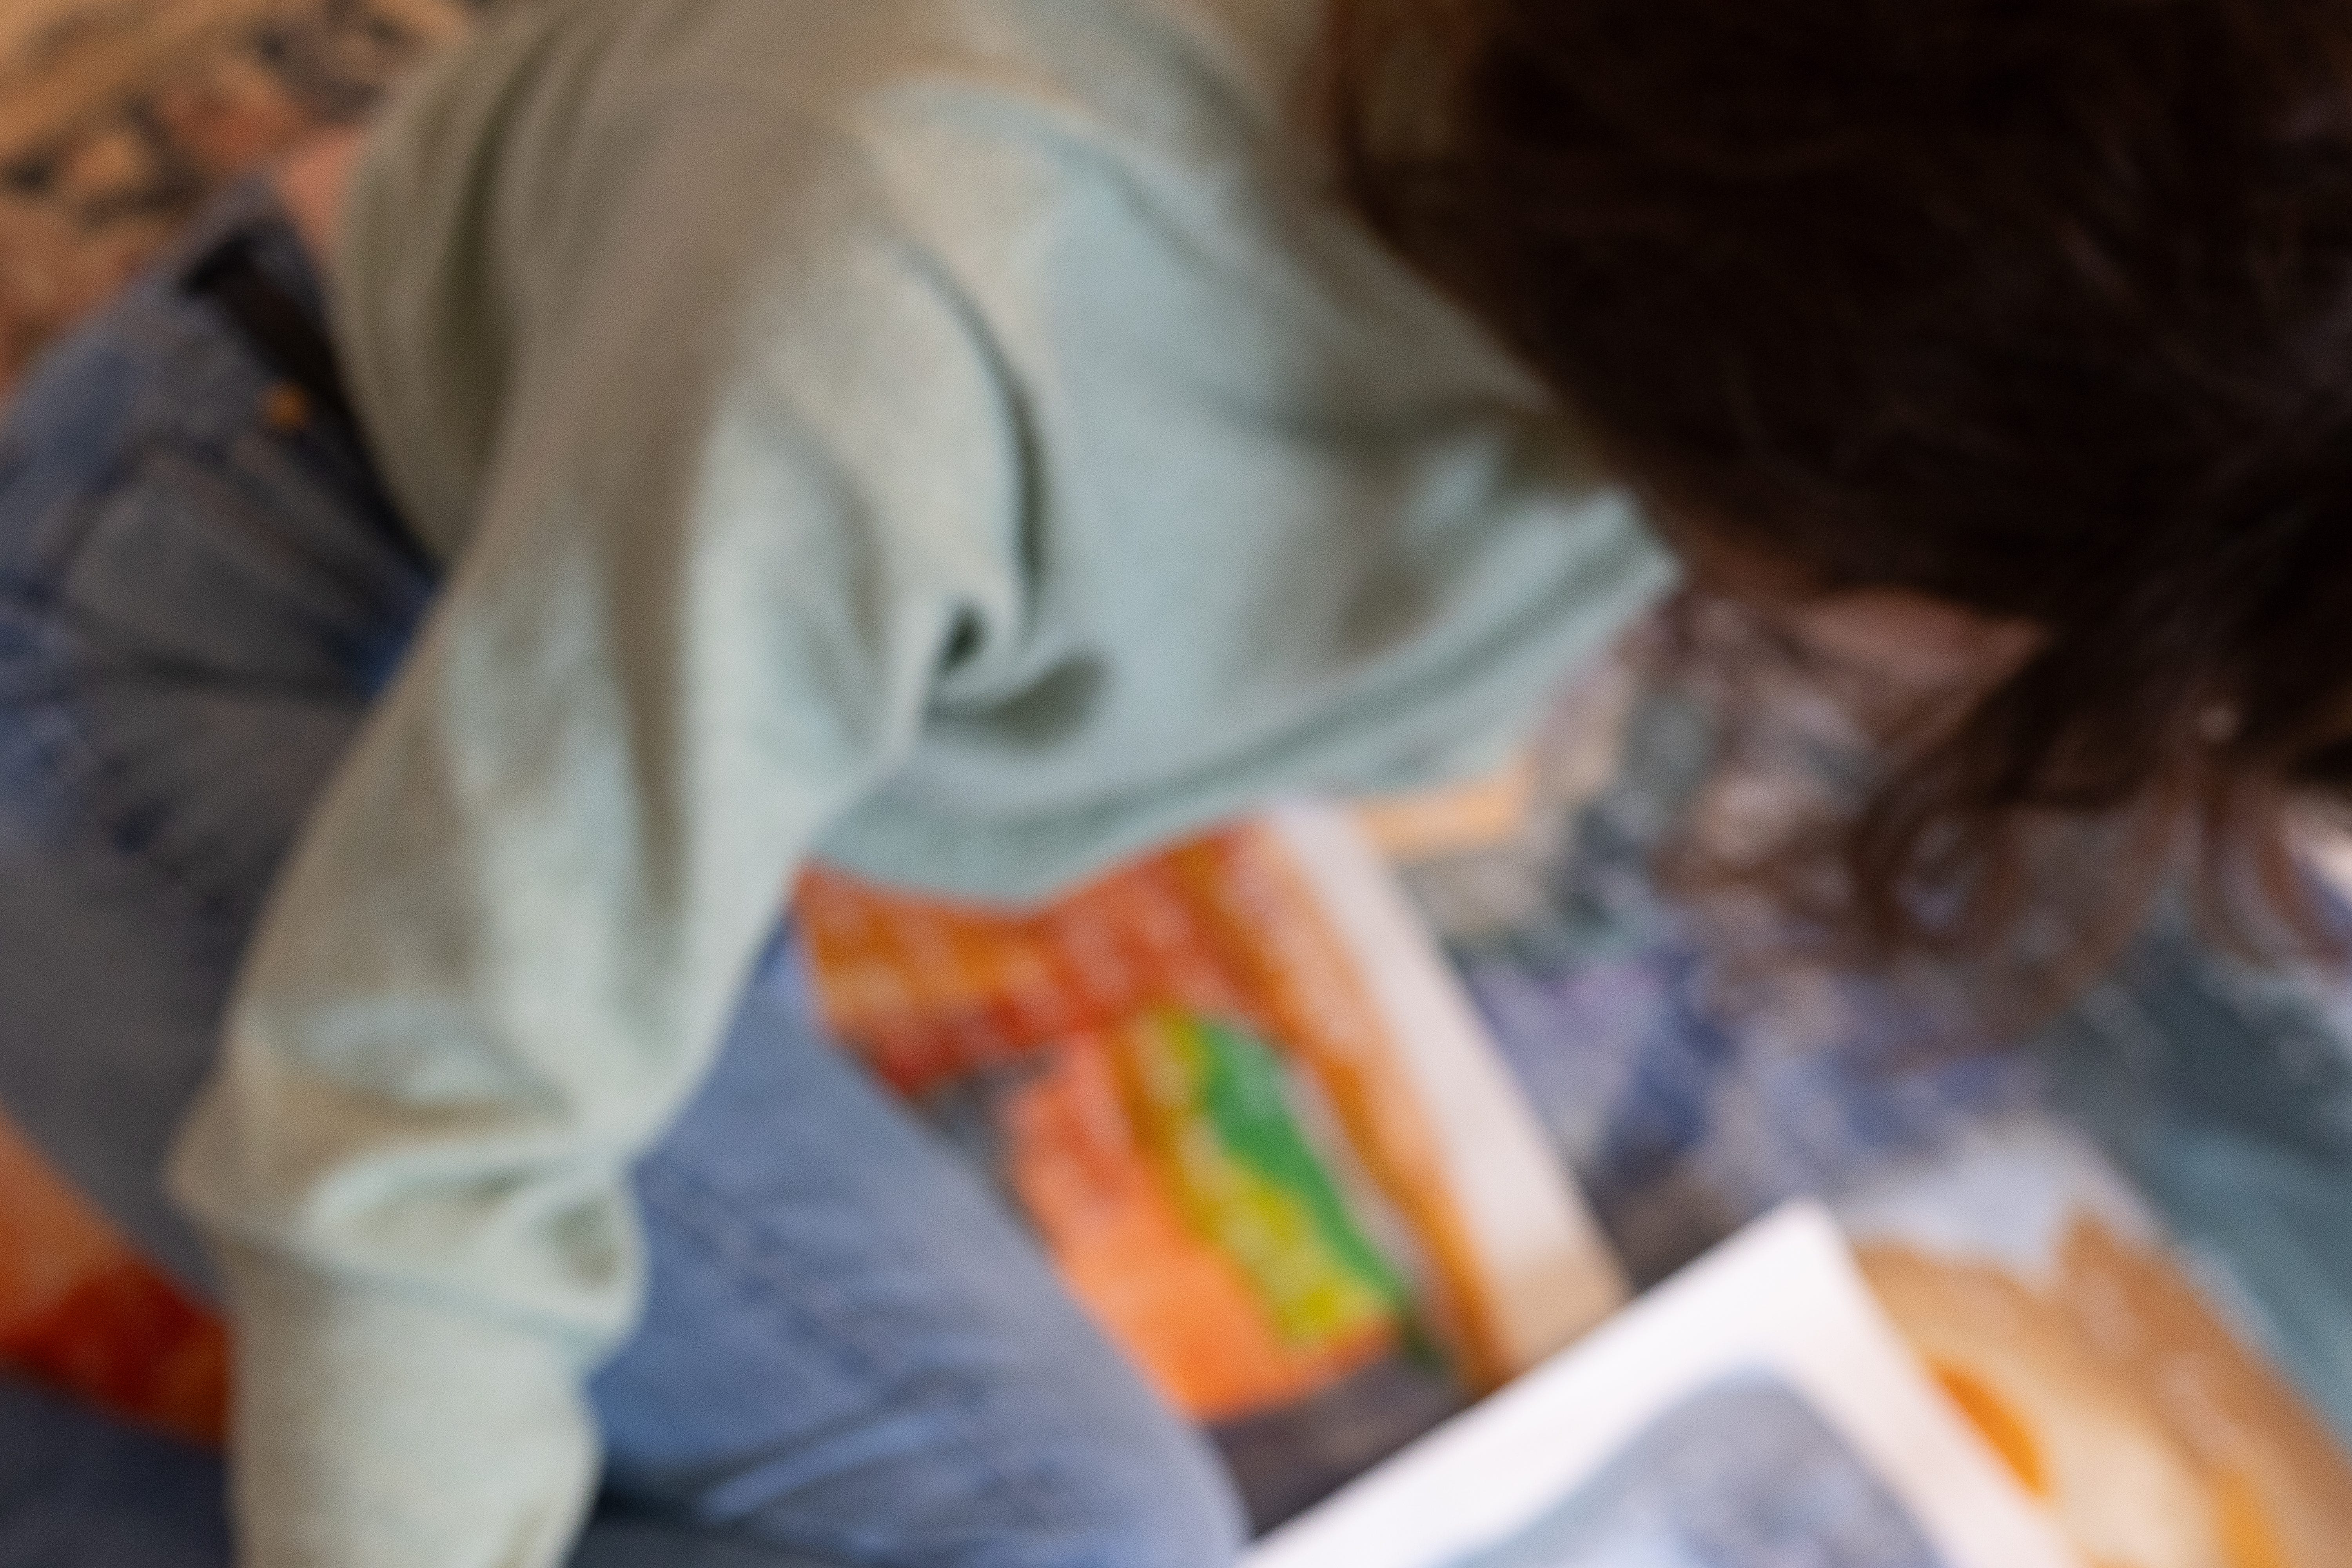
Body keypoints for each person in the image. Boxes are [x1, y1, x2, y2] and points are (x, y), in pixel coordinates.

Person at [4, 0, 2350, 1564]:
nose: (1986, 689)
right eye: (2006, 628)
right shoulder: (931, 260)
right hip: (208, 613)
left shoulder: (1703, 171)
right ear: (1846, 431)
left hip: (633, 637)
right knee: (1050, 1525)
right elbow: (419, 1129)